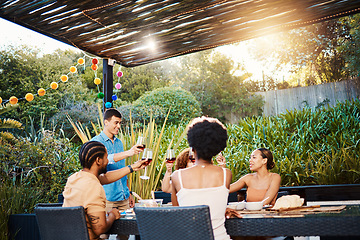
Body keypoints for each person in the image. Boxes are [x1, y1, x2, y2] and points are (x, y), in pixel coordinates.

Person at [62, 141, 147, 240]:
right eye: (106, 157)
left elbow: (105, 178)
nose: (107, 161)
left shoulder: (74, 178)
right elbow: (100, 228)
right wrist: (113, 215)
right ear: (98, 160)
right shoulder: (94, 186)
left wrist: (132, 167)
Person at [171, 116, 236, 240]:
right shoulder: (226, 174)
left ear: (192, 147)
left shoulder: (176, 176)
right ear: (217, 149)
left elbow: (178, 214)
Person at [162, 148, 227, 193]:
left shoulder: (206, 178)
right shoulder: (181, 180)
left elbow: (221, 186)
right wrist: (168, 171)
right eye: (191, 162)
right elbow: (166, 189)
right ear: (184, 165)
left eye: (197, 161)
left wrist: (222, 167)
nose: (195, 163)